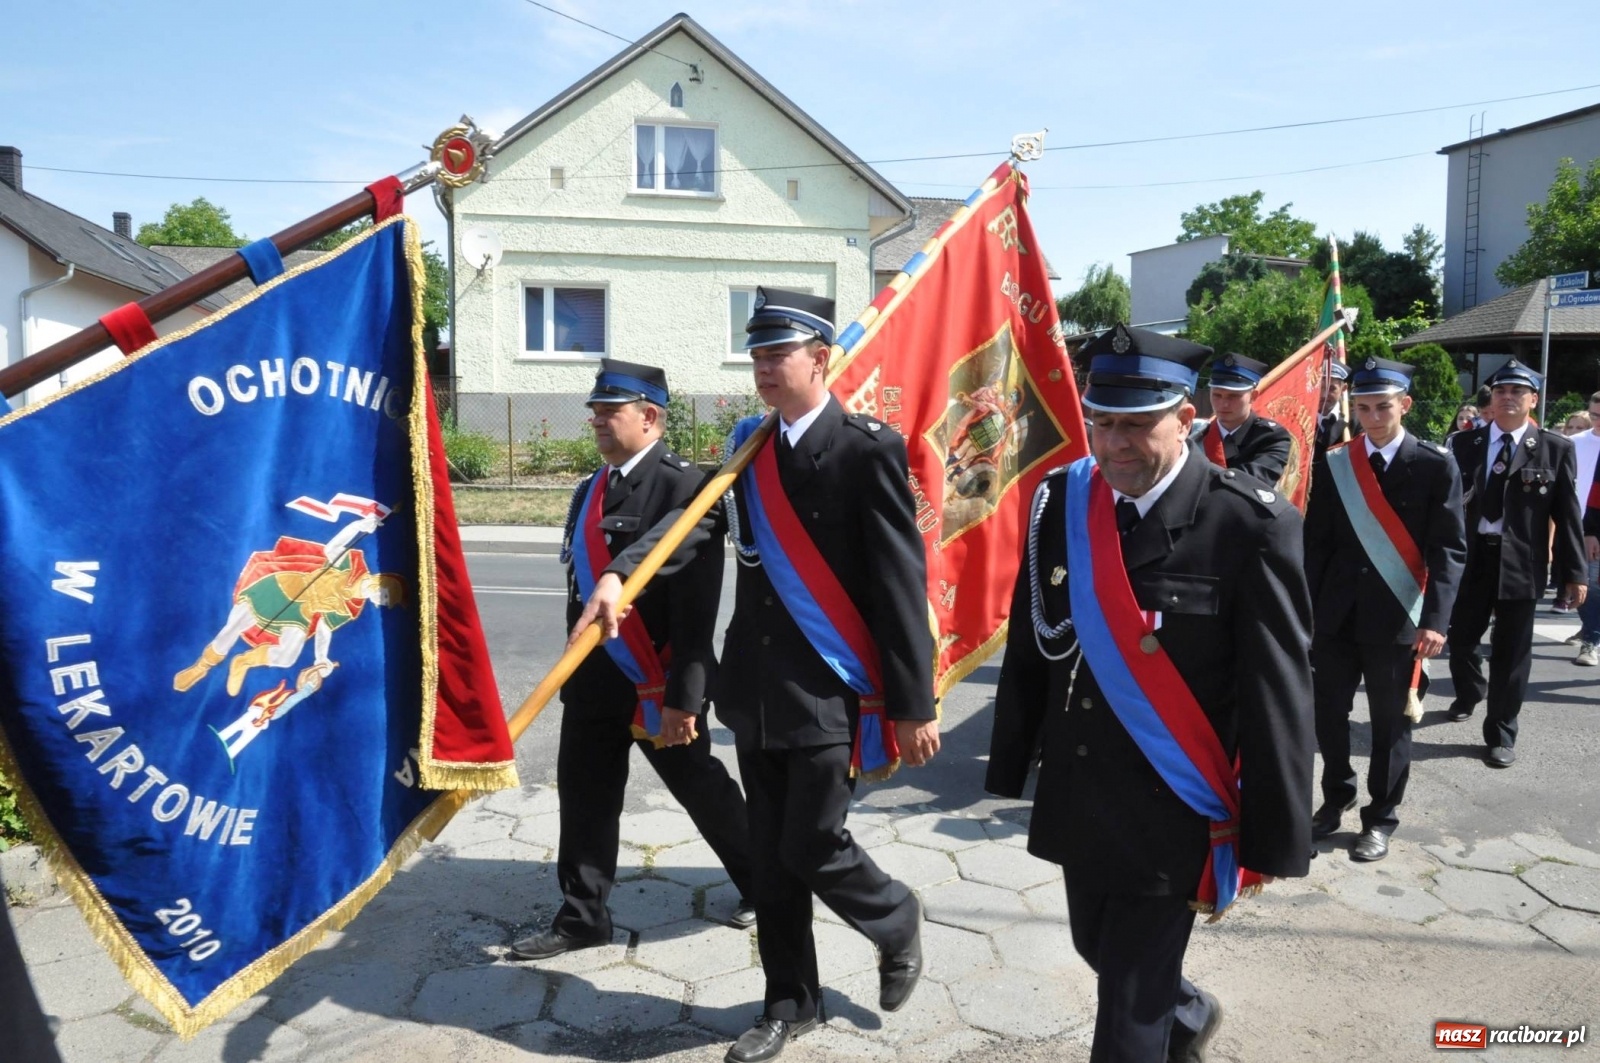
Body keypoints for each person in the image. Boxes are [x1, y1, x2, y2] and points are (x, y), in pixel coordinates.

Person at [577, 290, 940, 1063]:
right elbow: (691, 527)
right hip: (755, 689)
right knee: (773, 862)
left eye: (779, 354)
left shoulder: (868, 448)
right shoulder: (749, 447)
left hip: (832, 690)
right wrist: (620, 576)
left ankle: (894, 913)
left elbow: (901, 583)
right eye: (758, 356)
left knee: (811, 841)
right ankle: (789, 1001)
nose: (765, 368)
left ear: (822, 357)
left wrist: (913, 703)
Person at [988, 323, 1314, 1063]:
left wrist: (1272, 832)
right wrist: (1011, 761)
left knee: (1127, 1014)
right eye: (1101, 421)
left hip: (1175, 809)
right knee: (1094, 941)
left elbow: (1278, 691)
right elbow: (1032, 640)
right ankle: (1189, 1009)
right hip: (1080, 790)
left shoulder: (1251, 524)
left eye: (1137, 424)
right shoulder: (1063, 501)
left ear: (1186, 419)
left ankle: (1163, 1019)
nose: (1113, 444)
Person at [510, 358, 757, 962]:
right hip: (593, 682)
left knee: (702, 790)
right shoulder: (591, 488)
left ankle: (765, 882)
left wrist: (685, 697)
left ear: (649, 416)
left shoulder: (689, 488)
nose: (595, 419)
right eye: (594, 409)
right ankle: (582, 916)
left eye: (608, 410)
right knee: (585, 796)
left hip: (655, 684)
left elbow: (698, 614)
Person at [1304, 358, 1466, 861]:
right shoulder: (1336, 463)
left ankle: (1380, 818)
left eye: (1384, 406)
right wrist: (1305, 610)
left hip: (1397, 616)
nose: (1373, 416)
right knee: (1327, 717)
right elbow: (1317, 544)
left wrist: (1436, 621)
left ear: (1405, 405)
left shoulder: (1436, 464)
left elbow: (1449, 549)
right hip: (1335, 617)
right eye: (1364, 406)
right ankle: (1335, 798)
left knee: (1390, 724)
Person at [1444, 360, 1587, 767]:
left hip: (1521, 563)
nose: (1508, 397)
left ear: (1533, 399)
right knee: (1460, 642)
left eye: (1517, 392)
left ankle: (1501, 732)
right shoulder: (1464, 444)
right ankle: (1471, 692)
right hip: (1469, 559)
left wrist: (1573, 574)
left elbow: (1568, 516)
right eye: (1501, 391)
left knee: (1511, 654)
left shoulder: (1555, 448)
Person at [1188, 352, 1293, 487]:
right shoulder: (1194, 431)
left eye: (1233, 396)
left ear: (1253, 396)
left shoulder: (1271, 437)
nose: (1223, 404)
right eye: (1217, 395)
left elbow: (1252, 483)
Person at [1568, 392, 1600, 665]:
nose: (1598, 421)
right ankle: (1590, 640)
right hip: (1586, 525)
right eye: (1594, 415)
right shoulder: (1575, 444)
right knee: (1588, 585)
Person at [1314, 358, 1353, 458]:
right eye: (1320, 387)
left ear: (1343, 388)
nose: (1324, 395)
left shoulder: (1355, 421)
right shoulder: (1300, 419)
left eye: (1331, 389)